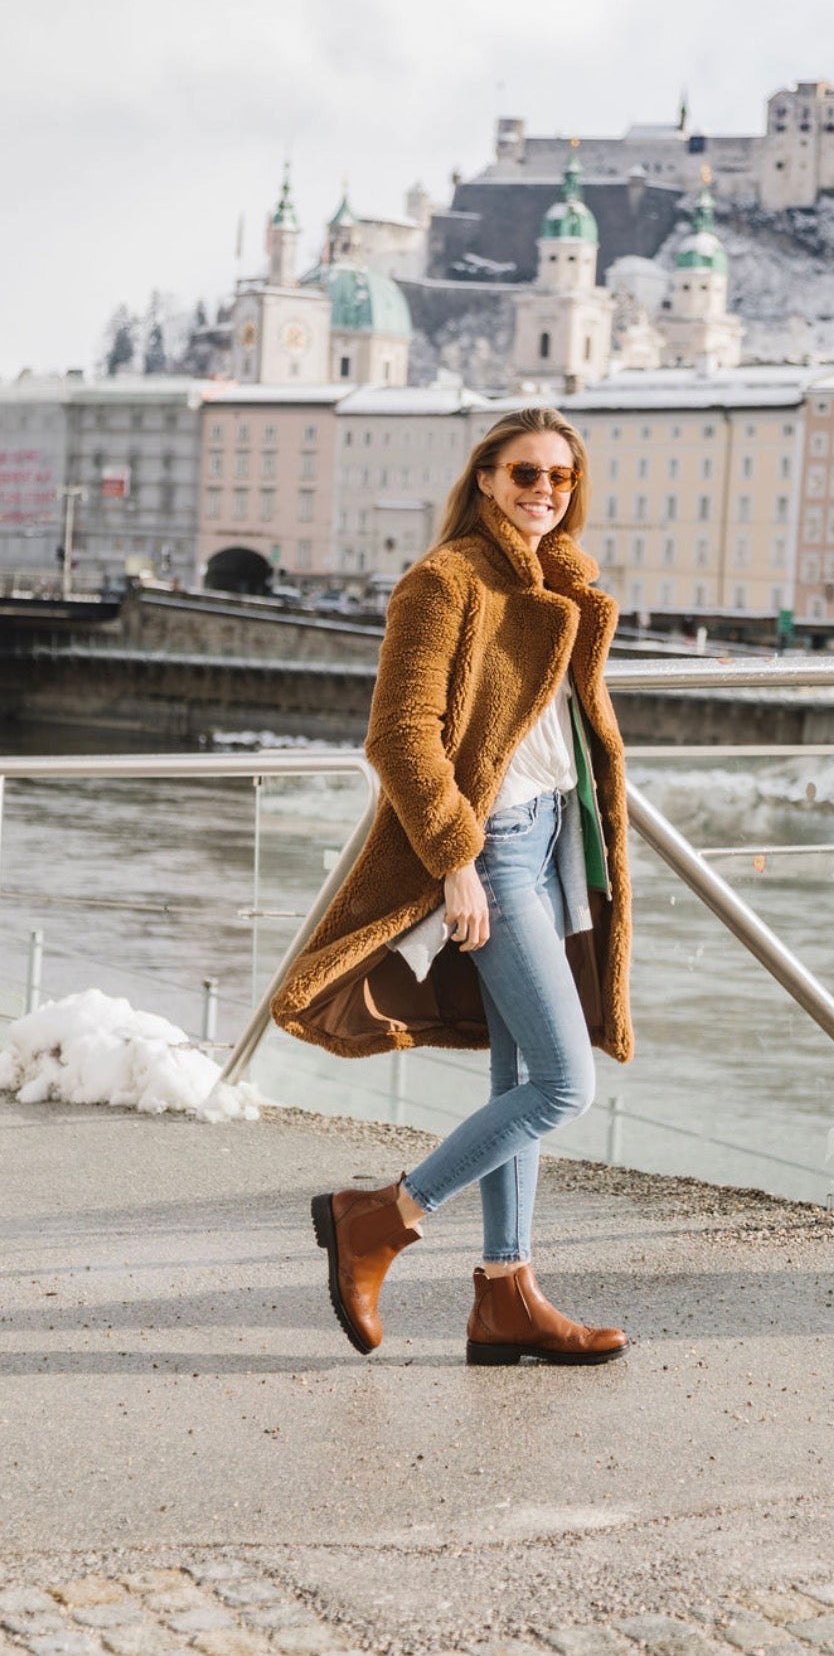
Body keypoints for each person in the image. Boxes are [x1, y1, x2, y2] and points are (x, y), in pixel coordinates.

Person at [271, 405, 633, 1365]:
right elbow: (401, 733)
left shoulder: (562, 580)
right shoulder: (445, 581)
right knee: (564, 1083)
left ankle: (505, 1294)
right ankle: (381, 1218)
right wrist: (456, 861)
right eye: (525, 474)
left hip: (554, 841)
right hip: (495, 847)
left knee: (520, 1076)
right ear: (485, 480)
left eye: (560, 477)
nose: (544, 491)